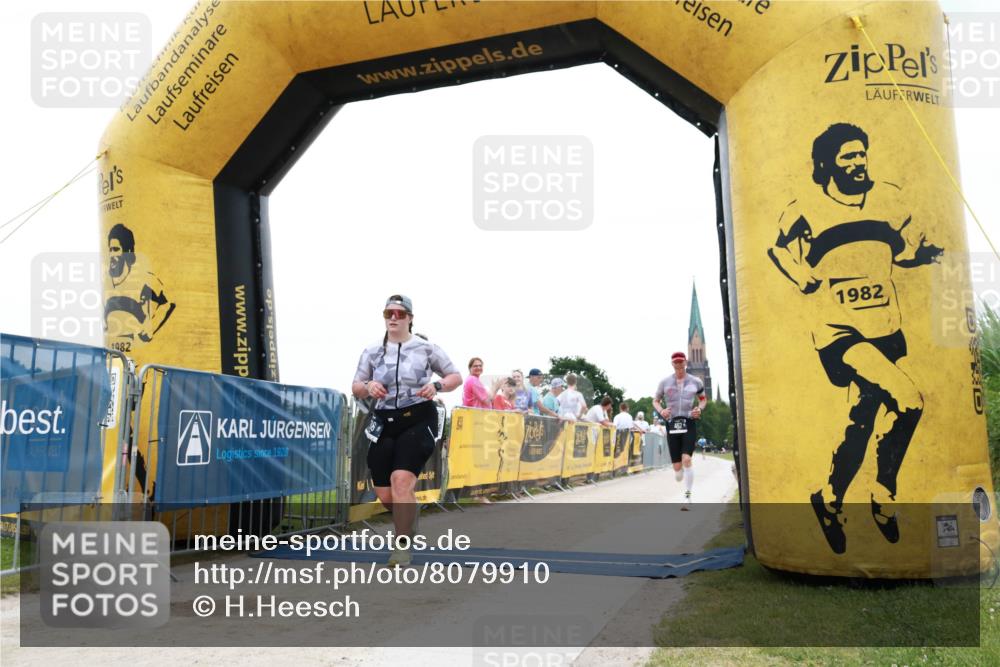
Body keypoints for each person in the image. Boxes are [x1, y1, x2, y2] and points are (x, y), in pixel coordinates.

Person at [768, 122, 941, 554]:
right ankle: (883, 496)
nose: (858, 162)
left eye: (862, 153)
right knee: (909, 399)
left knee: (859, 424)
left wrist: (923, 256)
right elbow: (779, 249)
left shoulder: (889, 199)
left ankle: (827, 500)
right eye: (848, 156)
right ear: (827, 163)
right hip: (838, 331)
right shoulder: (805, 207)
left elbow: (899, 254)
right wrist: (801, 274)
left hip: (886, 327)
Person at [352, 294, 462, 567]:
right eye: (388, 313)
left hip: (418, 418)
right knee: (385, 493)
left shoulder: (426, 348)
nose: (393, 318)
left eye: (399, 314)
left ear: (410, 319)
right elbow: (355, 385)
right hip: (384, 420)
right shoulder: (372, 350)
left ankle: (401, 547)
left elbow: (455, 377)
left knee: (401, 480)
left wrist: (436, 387)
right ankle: (408, 518)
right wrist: (368, 387)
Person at [104, 223, 175, 350]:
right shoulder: (107, 284)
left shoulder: (142, 279)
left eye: (116, 249)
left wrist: (150, 329)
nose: (111, 255)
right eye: (110, 250)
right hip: (117, 359)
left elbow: (168, 302)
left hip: (142, 359)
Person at [653, 351, 707, 510]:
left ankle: (688, 496)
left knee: (687, 460)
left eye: (681, 362)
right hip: (672, 423)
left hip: (689, 421)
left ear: (686, 362)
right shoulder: (664, 382)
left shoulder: (696, 381)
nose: (678, 365)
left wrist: (699, 409)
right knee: (677, 470)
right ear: (672, 364)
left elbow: (703, 399)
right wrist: (661, 411)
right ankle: (680, 471)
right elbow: (655, 401)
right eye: (675, 362)